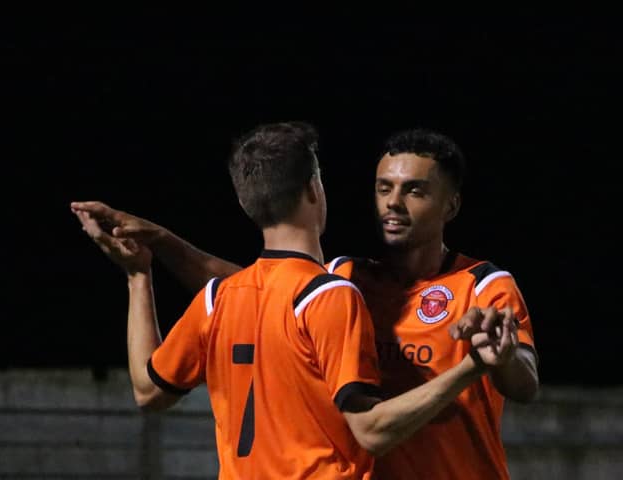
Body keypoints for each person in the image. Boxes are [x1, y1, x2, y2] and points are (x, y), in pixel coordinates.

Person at [72, 122, 514, 479]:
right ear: (313, 191)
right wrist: (471, 367)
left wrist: (138, 277)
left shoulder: (218, 299)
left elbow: (147, 390)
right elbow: (372, 431)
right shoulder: (332, 296)